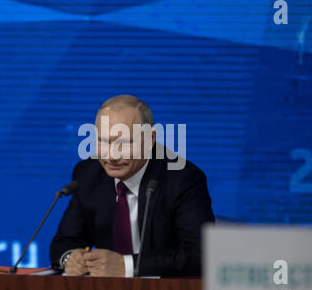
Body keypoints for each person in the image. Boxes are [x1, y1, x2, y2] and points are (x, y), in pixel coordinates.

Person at [50, 95, 214, 277]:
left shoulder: (182, 179)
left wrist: (127, 266)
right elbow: (64, 242)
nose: (112, 156)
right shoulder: (88, 175)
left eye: (124, 143)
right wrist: (71, 259)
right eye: (104, 141)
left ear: (150, 139)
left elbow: (199, 255)